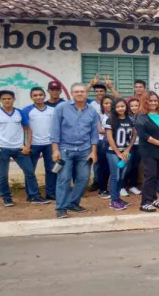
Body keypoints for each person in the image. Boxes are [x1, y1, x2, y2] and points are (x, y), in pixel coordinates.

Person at [0, 90, 48, 206]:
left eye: (9, 98)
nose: (7, 101)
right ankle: (6, 198)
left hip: (19, 149)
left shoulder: (19, 112)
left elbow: (28, 130)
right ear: (0, 100)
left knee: (29, 172)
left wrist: (27, 146)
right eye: (4, 99)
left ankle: (34, 197)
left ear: (13, 99)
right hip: (2, 149)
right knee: (3, 174)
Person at [50, 83, 99, 218]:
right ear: (72, 94)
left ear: (86, 94)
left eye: (82, 91)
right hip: (65, 149)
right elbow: (55, 130)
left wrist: (93, 151)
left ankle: (73, 202)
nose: (79, 94)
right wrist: (55, 150)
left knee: (83, 178)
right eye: (76, 92)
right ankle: (61, 208)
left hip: (85, 150)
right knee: (63, 179)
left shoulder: (92, 111)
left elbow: (94, 134)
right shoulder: (61, 108)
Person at [135, 92, 159, 212]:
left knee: (157, 175)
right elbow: (143, 135)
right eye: (150, 100)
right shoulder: (141, 116)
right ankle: (145, 202)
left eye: (155, 100)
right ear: (145, 101)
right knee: (150, 176)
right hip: (149, 150)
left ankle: (153, 198)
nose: (153, 103)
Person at [23, 87, 56, 201]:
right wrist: (25, 144)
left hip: (49, 144)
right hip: (33, 145)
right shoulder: (26, 111)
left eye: (40, 95)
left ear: (44, 96)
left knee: (51, 169)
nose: (38, 97)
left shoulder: (52, 110)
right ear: (31, 97)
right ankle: (31, 194)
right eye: (35, 95)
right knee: (30, 170)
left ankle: (51, 193)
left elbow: (57, 127)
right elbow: (23, 129)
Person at [104, 98, 136, 210]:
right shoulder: (110, 120)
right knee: (115, 176)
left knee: (122, 175)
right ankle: (113, 200)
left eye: (122, 106)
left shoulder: (130, 119)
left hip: (126, 152)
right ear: (114, 108)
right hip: (113, 152)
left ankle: (117, 198)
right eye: (118, 107)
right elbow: (109, 138)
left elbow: (134, 136)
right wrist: (118, 153)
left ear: (126, 107)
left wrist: (127, 150)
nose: (120, 108)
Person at [123, 98, 142, 195]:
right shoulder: (126, 117)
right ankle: (122, 186)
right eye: (132, 106)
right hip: (128, 146)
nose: (134, 108)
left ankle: (132, 186)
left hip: (139, 145)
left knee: (135, 166)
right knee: (127, 166)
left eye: (136, 106)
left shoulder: (143, 116)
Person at [95, 95, 113, 199]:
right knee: (103, 167)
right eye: (106, 103)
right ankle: (102, 189)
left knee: (113, 167)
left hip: (114, 143)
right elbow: (99, 130)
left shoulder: (116, 114)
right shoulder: (99, 115)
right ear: (102, 105)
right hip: (102, 143)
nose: (108, 105)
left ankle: (113, 188)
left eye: (110, 103)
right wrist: (112, 130)